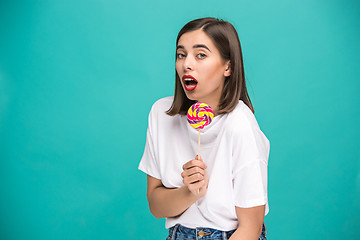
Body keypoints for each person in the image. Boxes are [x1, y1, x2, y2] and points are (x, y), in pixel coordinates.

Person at [138, 17, 270, 240]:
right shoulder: (160, 114)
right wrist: (189, 191)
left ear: (228, 66)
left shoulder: (240, 124)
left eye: (201, 55)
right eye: (181, 55)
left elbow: (250, 228)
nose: (187, 64)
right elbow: (156, 206)